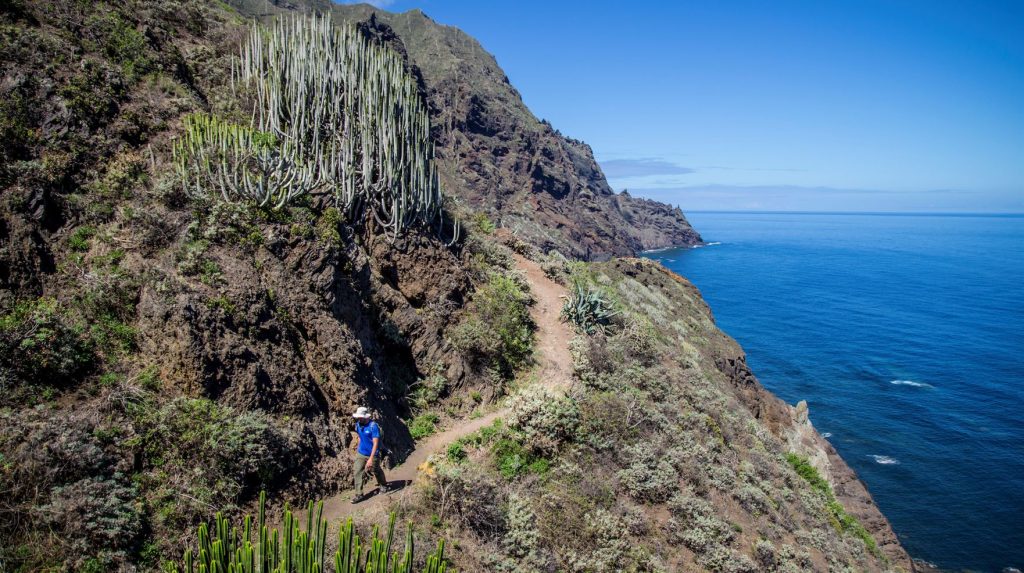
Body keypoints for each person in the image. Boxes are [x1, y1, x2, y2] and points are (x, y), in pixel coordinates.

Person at [350, 406, 389, 502]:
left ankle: (383, 485)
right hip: (361, 453)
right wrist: (358, 447)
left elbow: (375, 443)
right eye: (358, 417)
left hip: (373, 453)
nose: (359, 419)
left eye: (360, 417)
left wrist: (371, 458)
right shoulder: (358, 424)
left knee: (375, 470)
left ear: (366, 417)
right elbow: (359, 436)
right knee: (357, 471)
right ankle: (359, 494)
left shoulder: (373, 426)